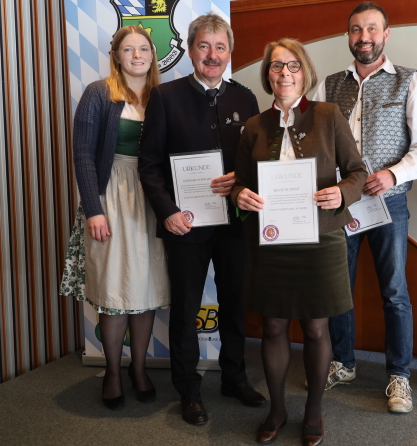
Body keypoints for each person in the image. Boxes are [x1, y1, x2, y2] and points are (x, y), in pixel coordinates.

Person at [233, 38, 366, 445]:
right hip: (270, 240)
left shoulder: (328, 115)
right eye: (276, 66)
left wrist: (342, 193)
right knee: (273, 325)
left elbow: (358, 172)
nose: (285, 73)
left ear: (304, 72)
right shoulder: (254, 126)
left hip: (320, 237)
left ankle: (313, 411)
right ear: (267, 74)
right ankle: (276, 409)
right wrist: (239, 195)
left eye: (292, 65)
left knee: (315, 326)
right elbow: (239, 184)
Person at [312, 1, 417, 413]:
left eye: (372, 29)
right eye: (356, 29)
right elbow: (311, 142)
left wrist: (393, 174)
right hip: (341, 207)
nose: (363, 37)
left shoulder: (409, 81)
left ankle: (399, 376)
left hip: (390, 204)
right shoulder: (328, 86)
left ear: (386, 34)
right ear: (348, 35)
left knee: (395, 292)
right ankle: (343, 362)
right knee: (338, 289)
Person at [138, 13, 266, 426]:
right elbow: (149, 164)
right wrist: (167, 212)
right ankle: (188, 389)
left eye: (220, 47)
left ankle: (234, 377)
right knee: (186, 309)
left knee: (234, 303)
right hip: (186, 225)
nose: (212, 55)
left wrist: (243, 180)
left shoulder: (245, 98)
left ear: (230, 53)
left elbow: (257, 160)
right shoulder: (165, 96)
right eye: (204, 46)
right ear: (191, 50)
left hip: (235, 224)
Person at [59, 25, 169, 410]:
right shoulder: (99, 93)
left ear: (153, 55)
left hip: (152, 198)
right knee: (113, 291)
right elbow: (83, 155)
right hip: (111, 197)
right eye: (128, 49)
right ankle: (112, 372)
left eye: (143, 49)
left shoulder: (162, 96)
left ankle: (139, 369)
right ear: (116, 56)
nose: (137, 55)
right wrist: (93, 209)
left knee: (145, 289)